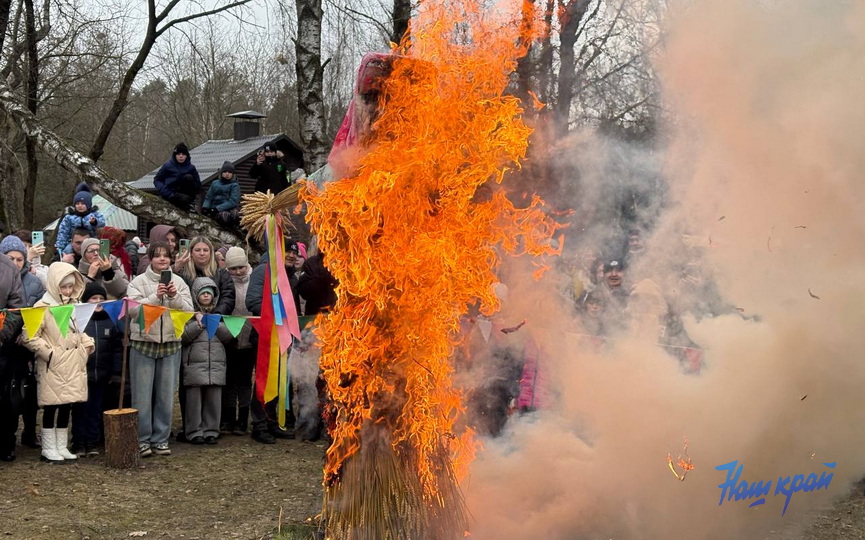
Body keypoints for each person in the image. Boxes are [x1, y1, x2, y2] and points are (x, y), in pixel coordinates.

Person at [126, 241, 193, 457]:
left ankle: (161, 439)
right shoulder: (138, 282)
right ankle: (142, 440)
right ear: (150, 258)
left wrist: (173, 297)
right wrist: (155, 296)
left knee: (166, 395)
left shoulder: (179, 282)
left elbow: (188, 311)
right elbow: (132, 311)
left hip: (171, 343)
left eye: (166, 256)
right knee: (142, 396)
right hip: (143, 342)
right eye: (157, 256)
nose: (162, 259)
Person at [25, 263, 95, 462]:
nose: (67, 290)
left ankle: (61, 446)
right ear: (55, 285)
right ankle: (48, 448)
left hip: (73, 363)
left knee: (67, 405)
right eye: (64, 287)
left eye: (71, 286)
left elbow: (80, 330)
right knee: (51, 407)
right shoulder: (41, 307)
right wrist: (50, 354)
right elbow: (30, 335)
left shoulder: (75, 305)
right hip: (53, 365)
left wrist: (88, 345)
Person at [245, 240, 304, 443]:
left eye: (295, 252)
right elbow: (252, 301)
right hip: (265, 336)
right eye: (287, 250)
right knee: (264, 381)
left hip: (285, 338)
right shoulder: (263, 272)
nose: (292, 255)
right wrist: (278, 314)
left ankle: (272, 422)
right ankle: (259, 425)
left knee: (279, 382)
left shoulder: (292, 278)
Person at [0, 235, 45, 450]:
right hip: (6, 343)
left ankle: (20, 436)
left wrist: (24, 332)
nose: (16, 263)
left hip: (22, 344)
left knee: (20, 393)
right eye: (11, 258)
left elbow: (37, 311)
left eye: (19, 259)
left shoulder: (35, 282)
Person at [71, 282, 122, 456]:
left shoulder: (110, 321)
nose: (98, 301)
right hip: (82, 374)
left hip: (102, 375)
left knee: (96, 409)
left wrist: (116, 372)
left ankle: (92, 441)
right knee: (80, 410)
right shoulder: (80, 321)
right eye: (94, 298)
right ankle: (78, 441)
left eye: (101, 298)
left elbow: (117, 349)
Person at [182, 277, 232, 445]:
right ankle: (194, 431)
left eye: (208, 293)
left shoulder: (220, 315)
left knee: (214, 400)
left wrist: (216, 324)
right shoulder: (188, 315)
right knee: (193, 402)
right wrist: (198, 325)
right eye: (202, 293)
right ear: (196, 295)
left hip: (216, 365)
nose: (205, 296)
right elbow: (184, 337)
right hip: (195, 365)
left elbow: (229, 337)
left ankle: (211, 430)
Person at [222, 247, 255, 435]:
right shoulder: (226, 282)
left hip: (250, 336)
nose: (237, 272)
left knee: (244, 381)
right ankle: (229, 419)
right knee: (229, 380)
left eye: (241, 267)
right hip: (230, 336)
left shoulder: (254, 281)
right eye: (233, 269)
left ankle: (243, 419)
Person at [0, 249, 26, 461]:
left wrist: (2, 336)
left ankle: (4, 445)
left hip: (2, 344)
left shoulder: (8, 267)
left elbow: (17, 307)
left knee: (3, 397)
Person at [55, 183, 105, 255]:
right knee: (67, 251)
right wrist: (59, 246)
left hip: (92, 241)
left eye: (83, 204)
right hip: (74, 243)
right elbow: (63, 232)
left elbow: (102, 225)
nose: (80, 206)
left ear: (88, 205)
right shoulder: (69, 217)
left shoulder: (95, 215)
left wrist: (94, 223)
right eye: (77, 204)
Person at [153, 143, 201, 211]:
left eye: (183, 154)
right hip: (171, 194)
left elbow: (198, 185)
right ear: (175, 155)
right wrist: (166, 192)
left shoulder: (191, 168)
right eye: (178, 154)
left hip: (186, 195)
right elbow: (157, 180)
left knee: (188, 177)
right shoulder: (167, 166)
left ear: (186, 156)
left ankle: (189, 205)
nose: (181, 156)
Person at [203, 162, 241, 228]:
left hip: (229, 208)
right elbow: (209, 197)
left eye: (230, 172)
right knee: (224, 216)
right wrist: (205, 207)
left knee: (235, 215)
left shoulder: (235, 185)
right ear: (221, 173)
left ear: (232, 174)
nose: (227, 174)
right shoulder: (215, 183)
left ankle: (235, 228)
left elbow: (233, 201)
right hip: (216, 208)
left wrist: (218, 208)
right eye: (225, 172)